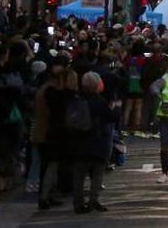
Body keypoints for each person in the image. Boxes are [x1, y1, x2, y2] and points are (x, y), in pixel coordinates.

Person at [70, 72, 119, 214]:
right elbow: (111, 117)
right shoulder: (99, 101)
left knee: (79, 175)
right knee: (97, 173)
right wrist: (115, 108)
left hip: (78, 142)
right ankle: (93, 200)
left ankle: (78, 203)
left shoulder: (77, 99)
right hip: (96, 142)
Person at [36, 55, 76, 210]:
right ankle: (45, 196)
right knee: (50, 165)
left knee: (51, 165)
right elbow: (55, 112)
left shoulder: (48, 90)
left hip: (48, 131)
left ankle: (48, 195)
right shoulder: (53, 92)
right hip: (50, 132)